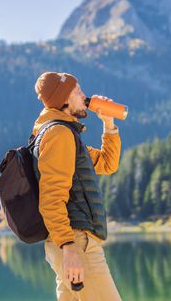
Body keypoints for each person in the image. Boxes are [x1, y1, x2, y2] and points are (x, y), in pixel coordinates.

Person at [32, 71, 122, 301]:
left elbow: (107, 163)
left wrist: (109, 124)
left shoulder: (65, 134)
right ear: (64, 99)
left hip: (69, 242)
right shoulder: (58, 135)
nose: (85, 96)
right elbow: (51, 197)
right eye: (78, 91)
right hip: (75, 242)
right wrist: (69, 247)